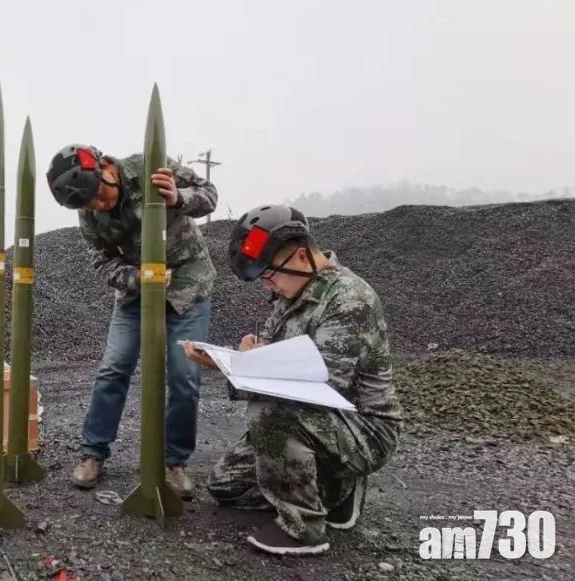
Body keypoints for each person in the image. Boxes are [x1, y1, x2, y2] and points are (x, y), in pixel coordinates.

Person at [182, 204, 402, 555]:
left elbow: (323, 385)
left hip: (361, 427)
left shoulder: (349, 299)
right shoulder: (290, 293)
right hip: (311, 418)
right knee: (225, 486)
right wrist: (242, 357)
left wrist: (246, 367)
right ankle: (335, 490)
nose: (268, 285)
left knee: (267, 412)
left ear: (301, 256)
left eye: (270, 275)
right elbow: (275, 355)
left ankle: (305, 528)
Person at [45, 144, 217, 498]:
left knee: (184, 375)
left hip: (188, 286)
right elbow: (102, 261)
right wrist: (138, 278)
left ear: (107, 169)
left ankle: (174, 462)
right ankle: (93, 453)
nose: (99, 206)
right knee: (113, 369)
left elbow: (209, 195)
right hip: (136, 293)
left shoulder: (151, 168)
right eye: (89, 204)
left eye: (100, 195)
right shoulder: (88, 212)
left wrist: (179, 198)